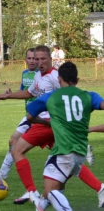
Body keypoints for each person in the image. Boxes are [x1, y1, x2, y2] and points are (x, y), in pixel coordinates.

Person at [0, 45, 100, 207]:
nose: (40, 62)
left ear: (51, 59)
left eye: (43, 59)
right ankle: (98, 188)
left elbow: (68, 95)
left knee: (17, 149)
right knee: (68, 163)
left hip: (47, 123)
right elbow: (30, 93)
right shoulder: (38, 75)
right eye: (37, 59)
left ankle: (32, 191)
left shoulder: (56, 77)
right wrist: (8, 96)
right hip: (47, 123)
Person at [27, 61, 104, 210]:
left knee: (50, 191)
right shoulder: (89, 96)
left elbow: (30, 116)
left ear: (59, 79)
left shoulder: (51, 96)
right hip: (80, 152)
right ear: (78, 80)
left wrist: (46, 122)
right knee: (56, 188)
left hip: (63, 150)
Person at [0, 48, 38, 180]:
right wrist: (11, 93)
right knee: (13, 140)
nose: (31, 61)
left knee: (59, 148)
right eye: (29, 58)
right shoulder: (25, 73)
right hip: (30, 116)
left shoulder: (41, 75)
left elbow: (29, 93)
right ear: (25, 59)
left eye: (34, 58)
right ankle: (2, 173)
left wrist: (9, 97)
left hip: (41, 117)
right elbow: (23, 90)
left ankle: (81, 151)